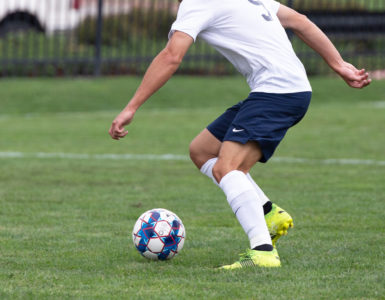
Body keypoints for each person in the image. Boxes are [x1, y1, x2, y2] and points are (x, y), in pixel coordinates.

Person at [109, 0, 371, 269]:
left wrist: (132, 107)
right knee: (202, 150)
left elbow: (171, 56)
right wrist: (338, 64)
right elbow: (300, 21)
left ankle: (263, 251)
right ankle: (269, 214)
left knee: (227, 167)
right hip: (287, 90)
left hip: (276, 93)